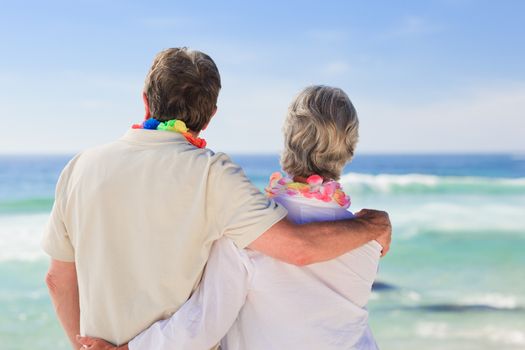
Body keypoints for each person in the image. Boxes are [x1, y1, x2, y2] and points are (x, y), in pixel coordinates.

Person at [43, 48, 391, 349]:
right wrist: (373, 223)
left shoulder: (79, 167)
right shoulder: (217, 180)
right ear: (211, 115)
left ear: (146, 100)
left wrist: (88, 346)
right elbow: (299, 248)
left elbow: (57, 280)